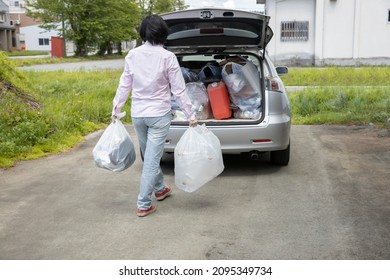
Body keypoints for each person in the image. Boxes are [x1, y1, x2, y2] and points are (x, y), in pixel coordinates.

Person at [111, 14, 198, 217]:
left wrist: (116, 109)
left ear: (144, 32)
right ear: (163, 33)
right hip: (159, 115)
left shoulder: (132, 55)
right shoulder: (168, 57)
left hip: (138, 115)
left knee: (150, 157)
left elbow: (125, 84)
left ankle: (160, 189)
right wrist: (190, 115)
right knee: (151, 160)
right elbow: (179, 90)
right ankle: (143, 203)